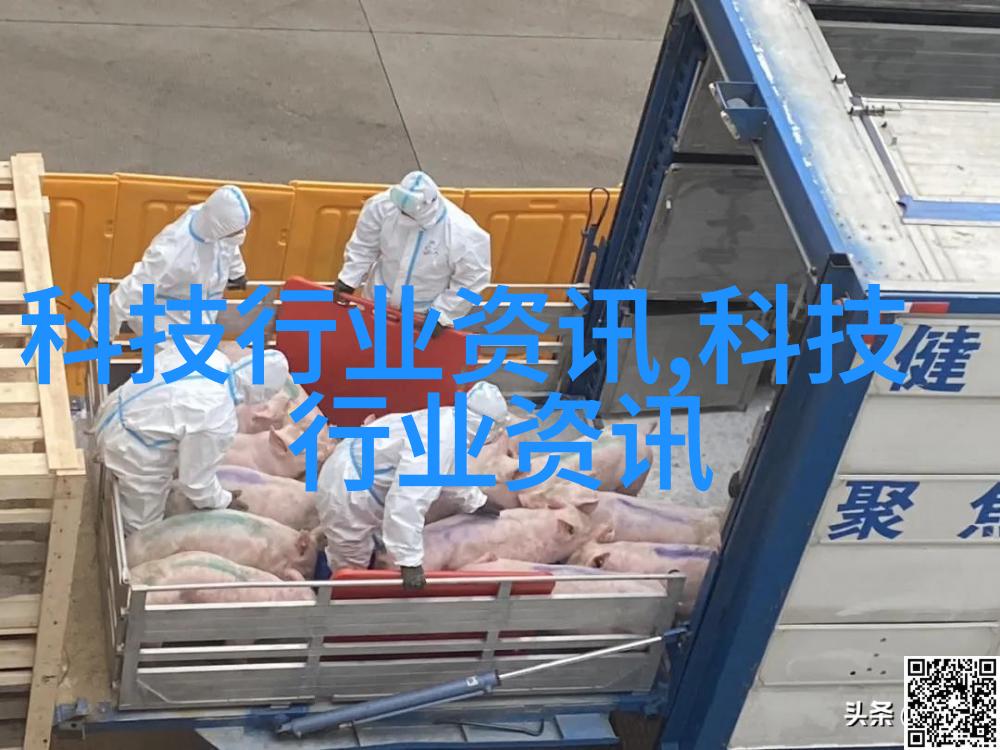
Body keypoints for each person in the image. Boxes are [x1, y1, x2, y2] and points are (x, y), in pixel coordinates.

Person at [317, 381, 509, 589]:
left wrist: (476, 502)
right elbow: (407, 501)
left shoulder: (449, 422)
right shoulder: (439, 440)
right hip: (349, 490)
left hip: (355, 469)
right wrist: (409, 562)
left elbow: (449, 474)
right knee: (351, 565)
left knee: (367, 547)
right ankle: (326, 594)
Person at [94, 343, 290, 535]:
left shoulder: (207, 355)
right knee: (143, 530)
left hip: (113, 408)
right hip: (131, 445)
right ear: (262, 393)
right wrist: (223, 500)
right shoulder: (219, 416)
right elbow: (196, 483)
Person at [334, 171, 491, 335]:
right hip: (376, 302)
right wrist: (349, 278)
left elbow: (474, 279)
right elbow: (364, 245)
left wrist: (443, 314)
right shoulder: (381, 206)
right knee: (366, 345)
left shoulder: (463, 233)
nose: (403, 217)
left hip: (422, 316)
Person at [101, 184, 252, 340]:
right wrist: (103, 333)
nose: (241, 234)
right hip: (165, 326)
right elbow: (131, 291)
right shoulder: (171, 251)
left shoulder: (215, 226)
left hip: (199, 320)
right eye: (236, 232)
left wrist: (236, 272)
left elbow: (229, 247)